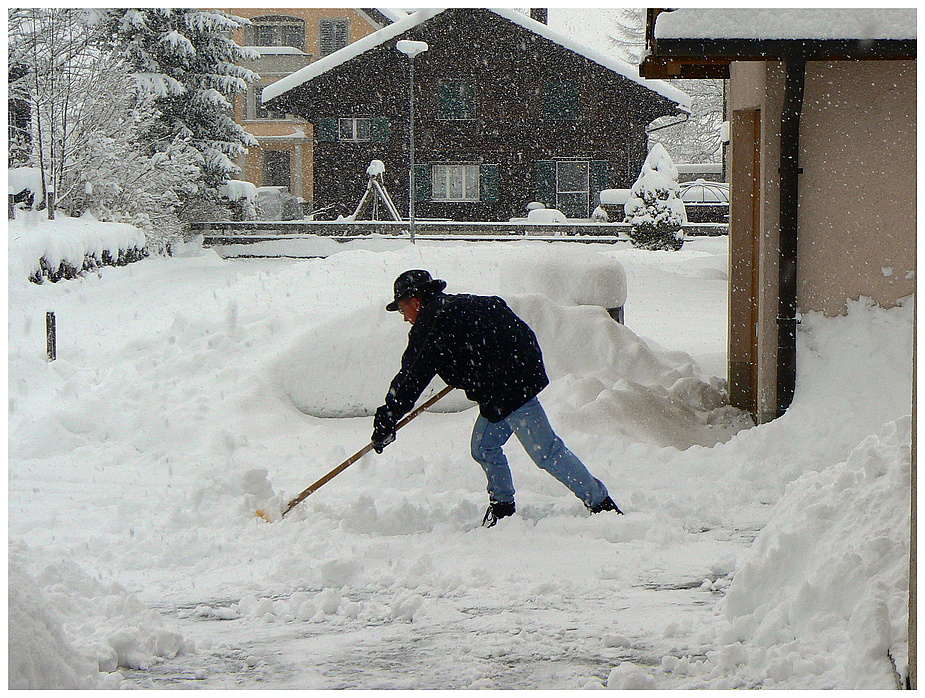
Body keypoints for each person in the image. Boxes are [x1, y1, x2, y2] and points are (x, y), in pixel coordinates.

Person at [371, 269, 623, 527]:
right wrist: (476, 366)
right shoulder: (456, 306)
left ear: (415, 301)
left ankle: (601, 504)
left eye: (403, 310)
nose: (404, 318)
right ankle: (502, 507)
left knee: (546, 452)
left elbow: (409, 379)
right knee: (484, 447)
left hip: (510, 386)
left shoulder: (432, 324)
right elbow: (499, 315)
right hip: (505, 382)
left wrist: (386, 420)